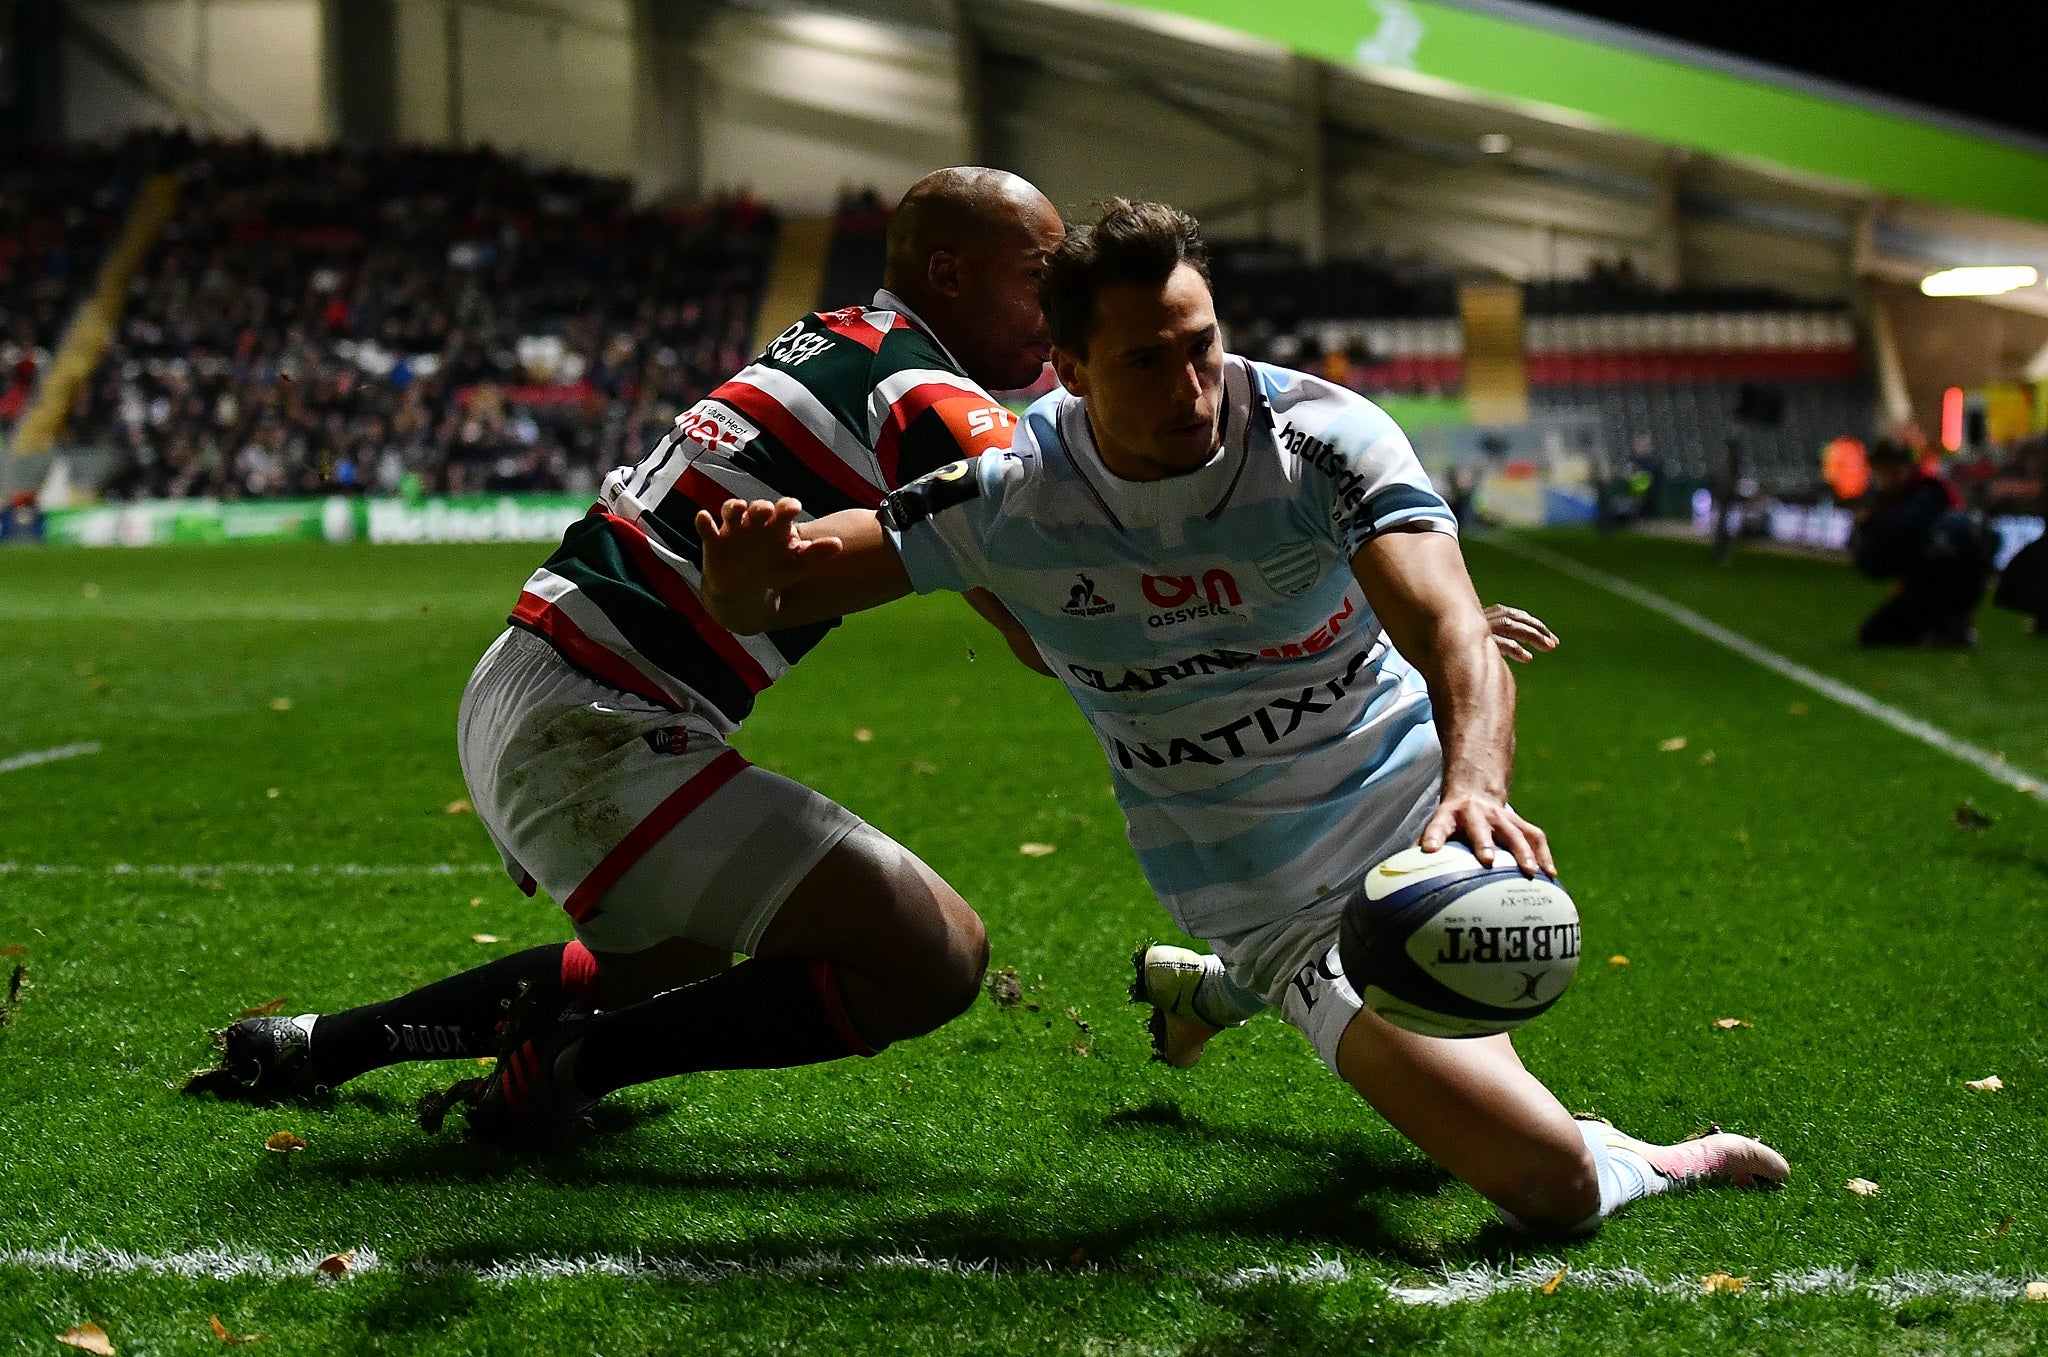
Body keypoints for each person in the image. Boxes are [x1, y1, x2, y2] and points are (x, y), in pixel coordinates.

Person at [685, 200, 1788, 1233]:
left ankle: (1224, 993)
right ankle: (1602, 1141)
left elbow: (1456, 628)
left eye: (1201, 342)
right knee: (1549, 1184)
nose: (1192, 386)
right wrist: (738, 577)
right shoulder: (1008, 494)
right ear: (1066, 370)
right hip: (1262, 889)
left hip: (1417, 824)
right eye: (1144, 360)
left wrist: (1473, 788)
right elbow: (770, 590)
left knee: (1483, 1081)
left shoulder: (1321, 436)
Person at [188, 168, 1066, 1129]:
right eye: (1039, 274)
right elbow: (1039, 598)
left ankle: (317, 1044)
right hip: (599, 722)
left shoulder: (838, 334)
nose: (1056, 304)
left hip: (535, 686)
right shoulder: (920, 383)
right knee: (938, 954)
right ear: (948, 273)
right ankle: (567, 1071)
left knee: (665, 966)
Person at [1850, 441, 1996, 648]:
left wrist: (1873, 520)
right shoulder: (1893, 499)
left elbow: (1902, 527)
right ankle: (1942, 626)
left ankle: (1951, 624)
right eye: (1883, 470)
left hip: (1952, 577)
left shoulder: (1928, 491)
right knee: (1875, 633)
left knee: (1937, 567)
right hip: (1925, 581)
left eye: (1893, 468)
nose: (1888, 476)